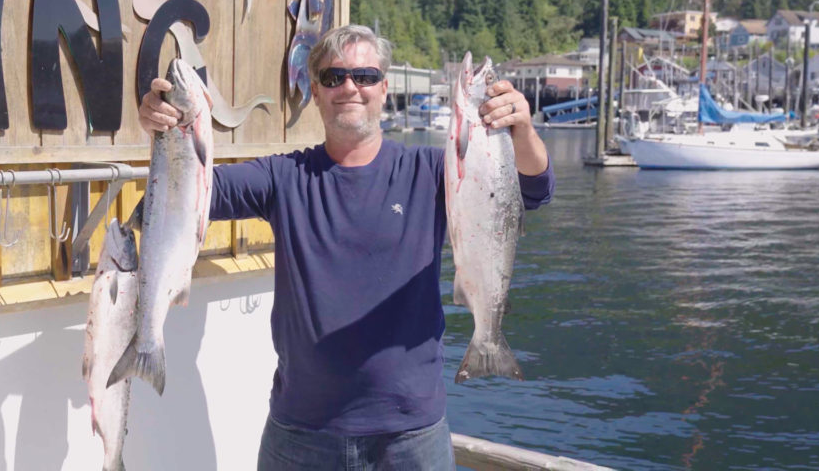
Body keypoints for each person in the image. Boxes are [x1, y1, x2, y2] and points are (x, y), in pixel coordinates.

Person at [138, 25, 554, 470]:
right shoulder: (283, 178)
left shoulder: (432, 171)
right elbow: (172, 205)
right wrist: (167, 136)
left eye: (365, 76)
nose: (350, 87)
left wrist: (522, 129)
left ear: (384, 88)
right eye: (334, 77)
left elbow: (533, 190)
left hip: (410, 435)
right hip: (301, 434)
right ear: (314, 92)